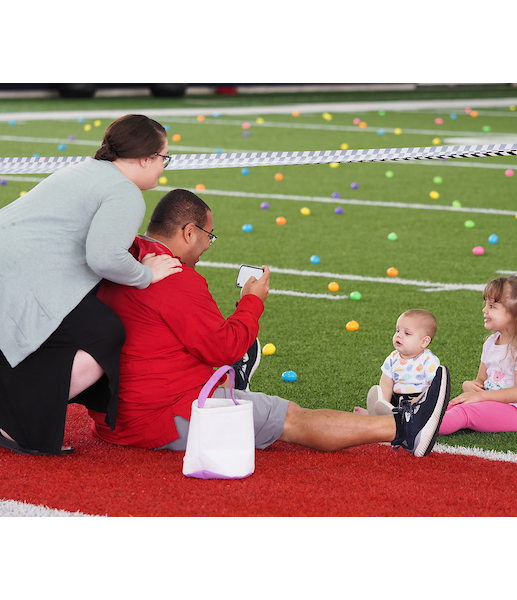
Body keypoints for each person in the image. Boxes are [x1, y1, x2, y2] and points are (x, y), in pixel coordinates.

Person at [90, 188, 451, 458]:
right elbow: (224, 346)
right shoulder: (176, 277)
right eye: (208, 236)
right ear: (188, 232)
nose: (208, 245)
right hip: (159, 417)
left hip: (115, 416)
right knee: (291, 417)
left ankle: (234, 379)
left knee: (220, 352)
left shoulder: (124, 256)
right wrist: (251, 301)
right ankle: (403, 427)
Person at [0, 114, 182, 456]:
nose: (163, 166)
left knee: (71, 331)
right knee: (105, 333)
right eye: (163, 157)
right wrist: (146, 274)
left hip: (13, 267)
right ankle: (19, 421)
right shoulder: (125, 192)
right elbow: (104, 257)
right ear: (145, 158)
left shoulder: (87, 169)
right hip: (20, 275)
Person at [438, 273, 517, 436]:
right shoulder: (491, 343)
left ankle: (419, 429)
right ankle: (410, 421)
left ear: (515, 314)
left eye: (492, 306)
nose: (484, 310)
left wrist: (481, 397)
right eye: (486, 304)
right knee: (449, 406)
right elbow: (481, 381)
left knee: (464, 413)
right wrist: (468, 386)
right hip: (490, 403)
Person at [354, 309, 440, 416]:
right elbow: (386, 384)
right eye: (398, 330)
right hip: (397, 401)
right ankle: (379, 414)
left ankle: (390, 418)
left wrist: (418, 400)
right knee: (391, 408)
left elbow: (435, 386)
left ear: (424, 342)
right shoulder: (393, 358)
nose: (399, 335)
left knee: (413, 415)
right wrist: (383, 403)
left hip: (419, 401)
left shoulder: (428, 360)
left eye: (407, 333)